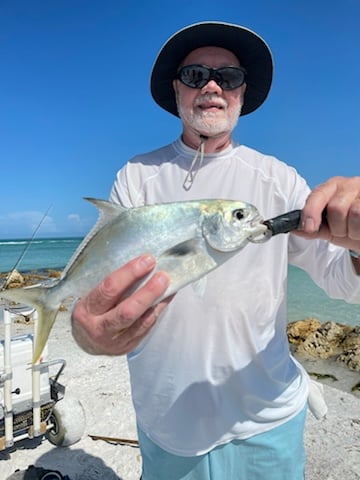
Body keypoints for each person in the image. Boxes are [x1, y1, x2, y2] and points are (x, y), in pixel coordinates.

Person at [71, 22, 360, 480]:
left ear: (243, 93)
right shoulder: (137, 176)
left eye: (227, 77)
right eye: (195, 75)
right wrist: (89, 333)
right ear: (177, 90)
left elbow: (341, 279)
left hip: (269, 419)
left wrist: (357, 244)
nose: (211, 85)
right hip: (168, 421)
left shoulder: (277, 179)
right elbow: (105, 279)